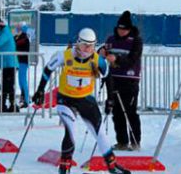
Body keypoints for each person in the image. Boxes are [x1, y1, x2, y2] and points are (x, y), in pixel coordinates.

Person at [32, 28, 130, 174]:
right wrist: (40, 90)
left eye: (91, 45)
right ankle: (64, 167)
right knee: (71, 131)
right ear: (78, 43)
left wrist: (110, 99)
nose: (88, 49)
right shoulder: (65, 55)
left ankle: (112, 166)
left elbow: (108, 77)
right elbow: (47, 70)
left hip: (85, 99)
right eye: (85, 45)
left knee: (100, 133)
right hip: (65, 99)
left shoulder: (97, 59)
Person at [101, 10, 143, 151]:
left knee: (130, 111)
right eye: (119, 29)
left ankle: (135, 142)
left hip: (130, 80)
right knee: (117, 112)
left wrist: (117, 59)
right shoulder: (111, 39)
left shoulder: (136, 41)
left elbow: (132, 59)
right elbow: (103, 50)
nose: (121, 32)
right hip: (113, 79)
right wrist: (101, 52)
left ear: (129, 29)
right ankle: (122, 142)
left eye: (124, 29)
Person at [0, 19, 19, 113]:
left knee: (8, 85)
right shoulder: (1, 34)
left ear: (0, 27)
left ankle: (10, 105)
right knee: (5, 85)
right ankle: (7, 105)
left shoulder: (5, 33)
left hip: (10, 64)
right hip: (6, 64)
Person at [14, 23, 30, 109]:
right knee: (20, 81)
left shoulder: (24, 38)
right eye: (17, 28)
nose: (17, 30)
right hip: (18, 61)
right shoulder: (17, 37)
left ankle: (26, 99)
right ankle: (23, 97)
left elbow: (16, 44)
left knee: (23, 81)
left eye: (19, 28)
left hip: (23, 61)